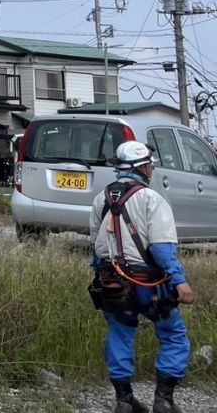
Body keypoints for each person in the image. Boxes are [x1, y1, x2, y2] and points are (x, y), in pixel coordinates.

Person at [90, 140, 193, 413]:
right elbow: (162, 249)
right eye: (150, 165)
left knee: (120, 333)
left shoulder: (101, 198)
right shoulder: (152, 199)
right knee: (173, 335)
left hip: (112, 281)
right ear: (144, 168)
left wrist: (98, 279)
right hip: (151, 283)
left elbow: (95, 249)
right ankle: (164, 400)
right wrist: (179, 281)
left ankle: (124, 401)